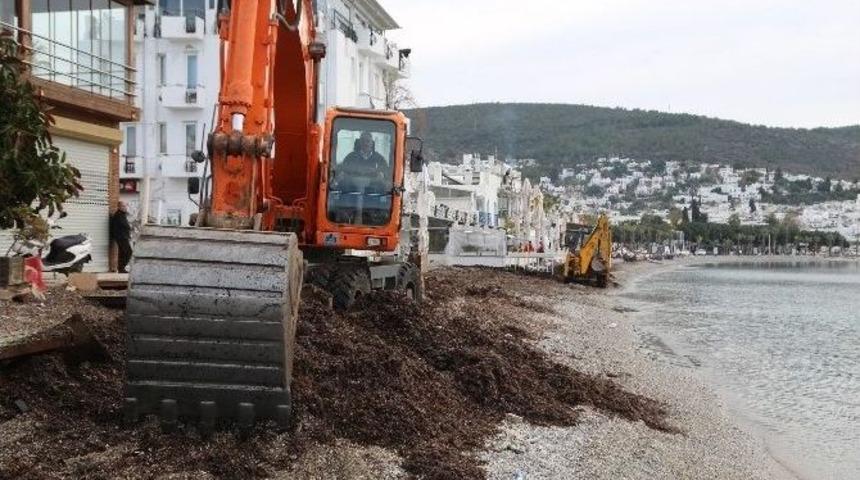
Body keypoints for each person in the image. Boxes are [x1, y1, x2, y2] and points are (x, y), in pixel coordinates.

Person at [110, 201, 132, 273]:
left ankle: (121, 268)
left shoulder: (122, 214)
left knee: (123, 253)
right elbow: (123, 226)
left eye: (125, 206)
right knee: (128, 252)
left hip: (123, 237)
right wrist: (129, 228)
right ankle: (121, 267)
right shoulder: (119, 215)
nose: (125, 208)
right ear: (119, 207)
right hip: (121, 237)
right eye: (123, 206)